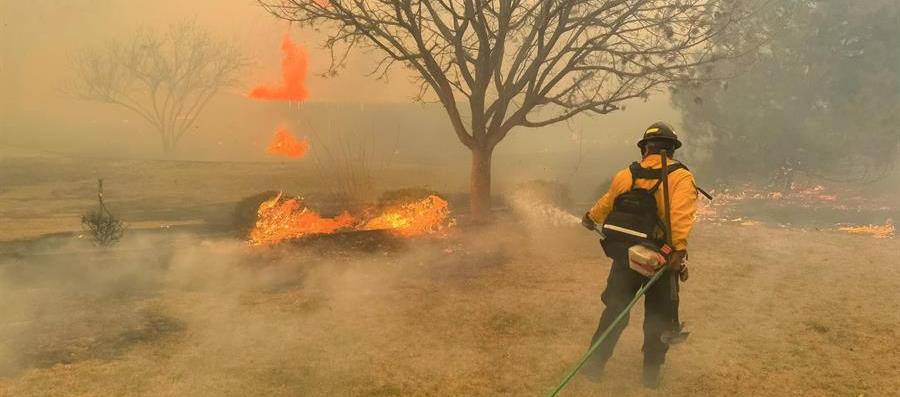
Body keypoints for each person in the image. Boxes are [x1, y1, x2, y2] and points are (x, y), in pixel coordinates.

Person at [580, 122, 698, 388]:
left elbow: (607, 202)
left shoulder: (626, 175)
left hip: (626, 256)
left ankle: (593, 366)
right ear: (672, 151)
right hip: (661, 260)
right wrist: (678, 251)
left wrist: (590, 217)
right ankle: (651, 375)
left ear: (646, 148)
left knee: (615, 311)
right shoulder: (681, 177)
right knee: (658, 316)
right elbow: (680, 217)